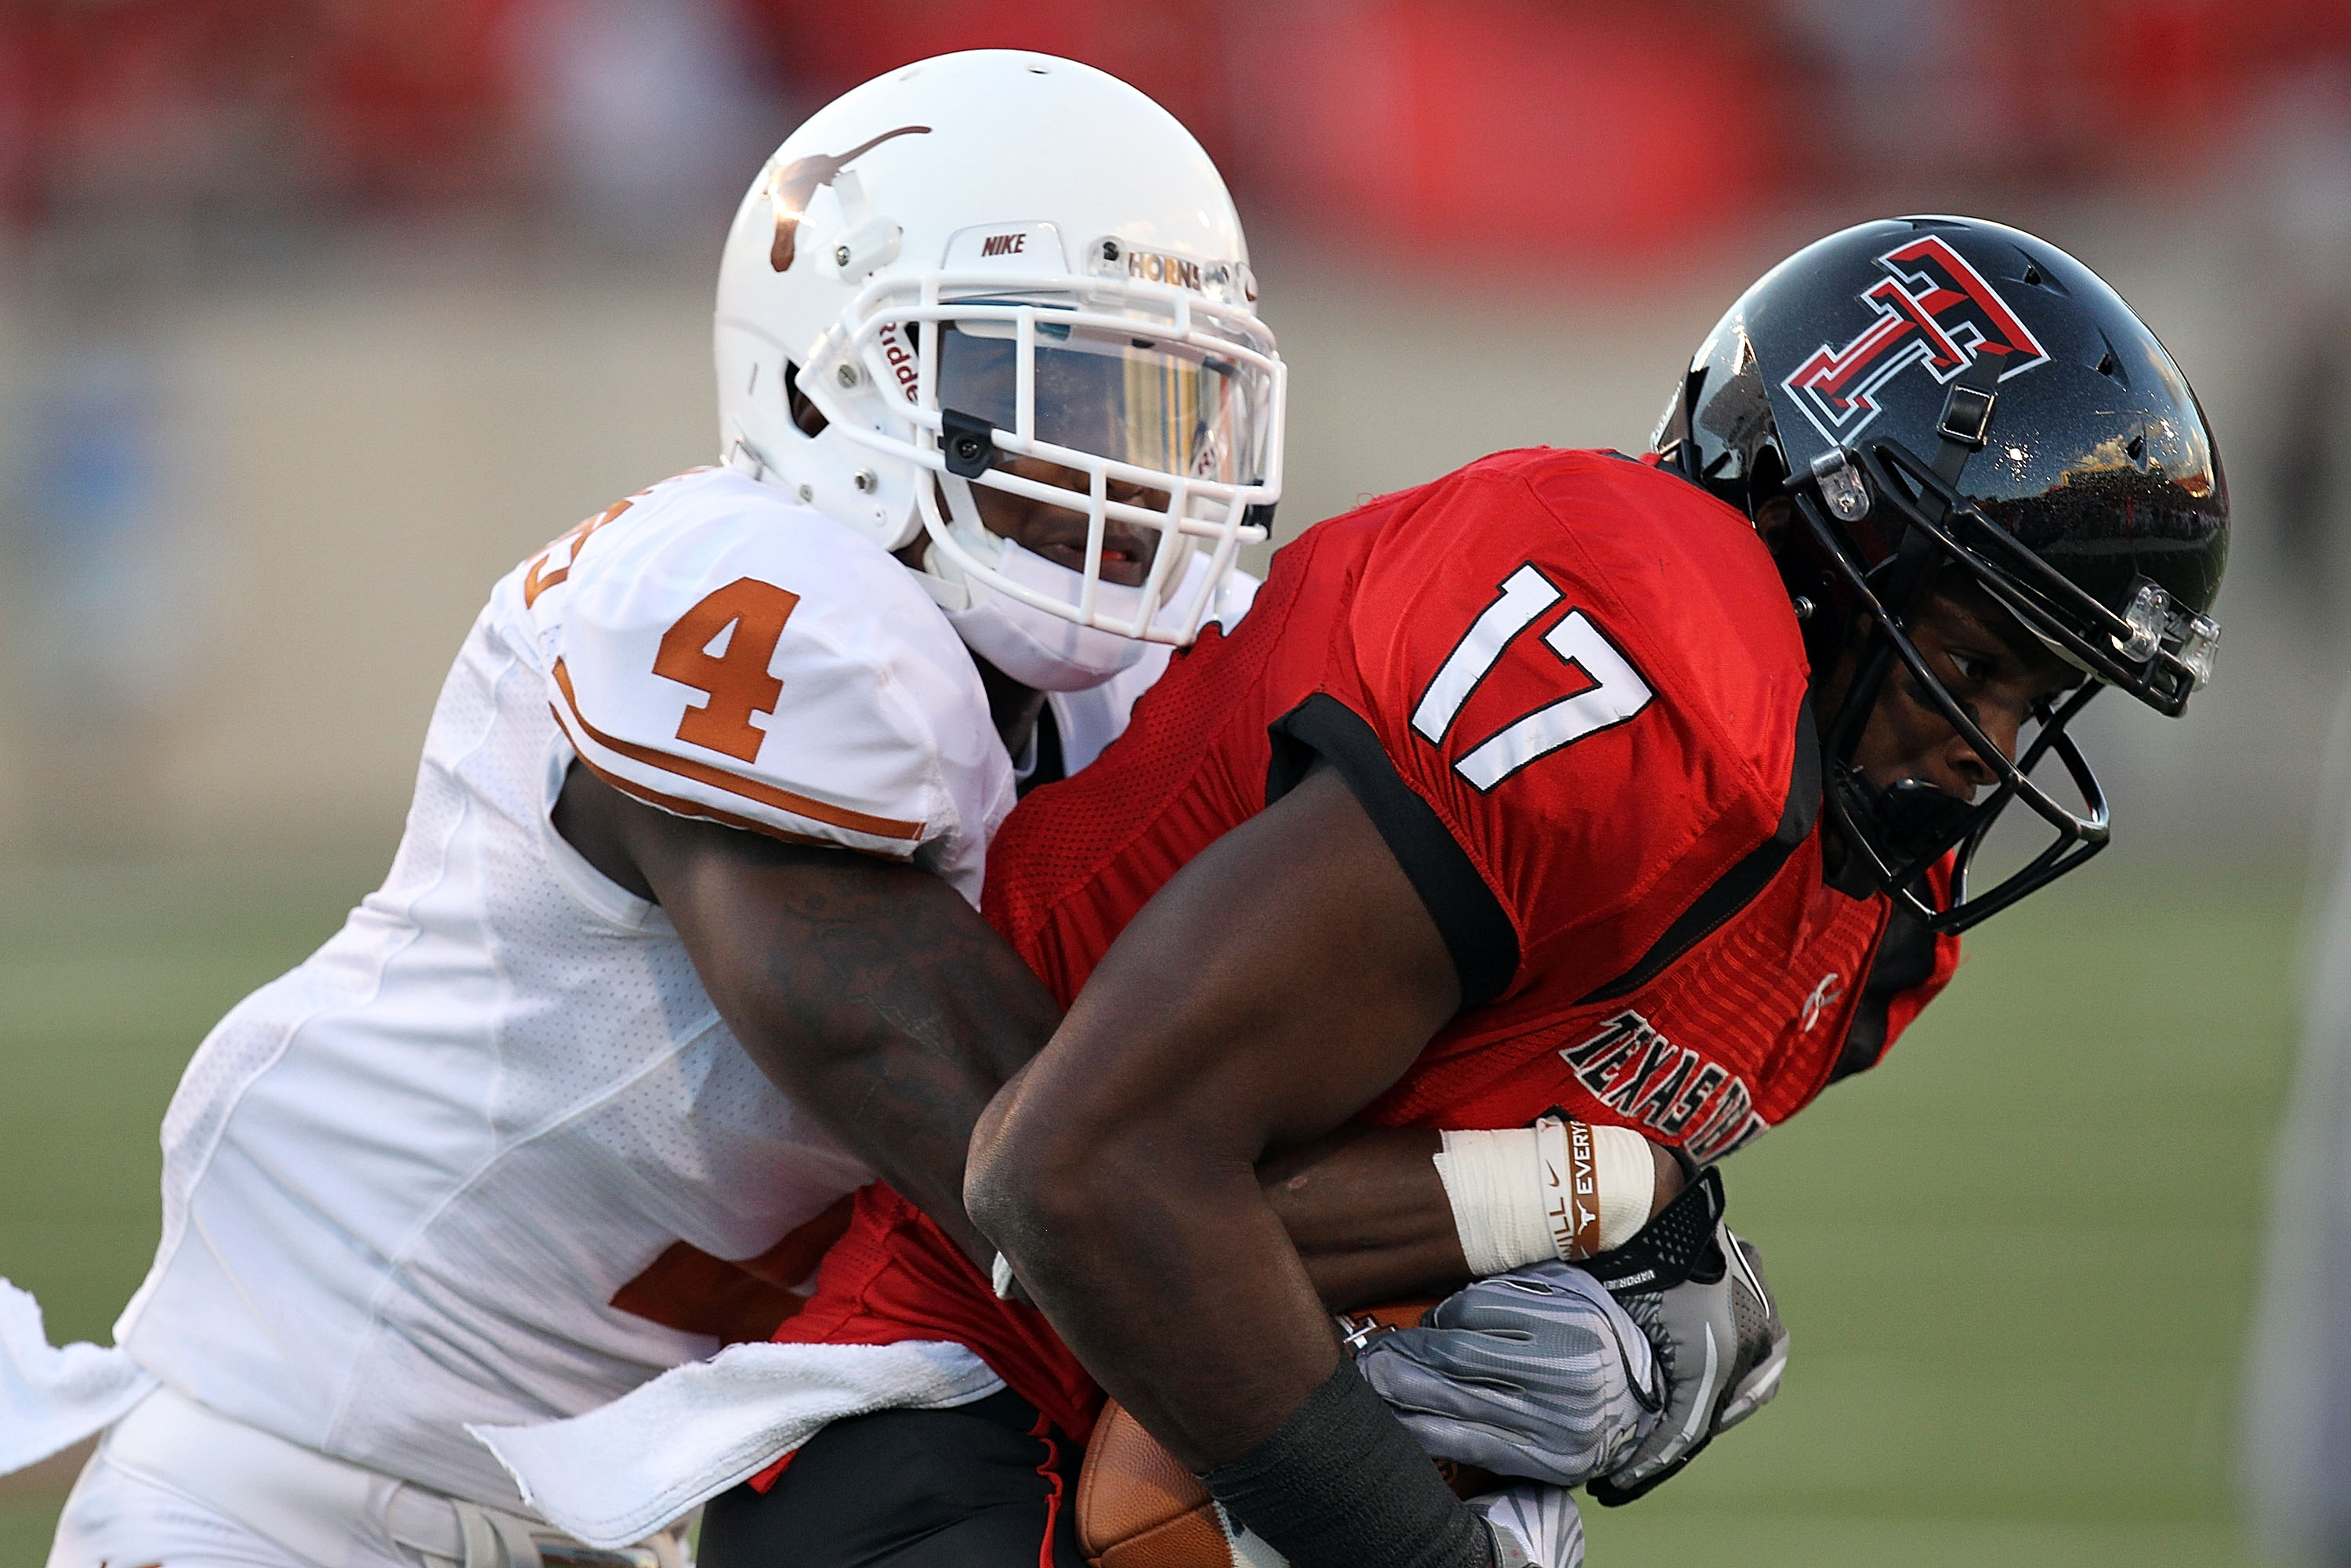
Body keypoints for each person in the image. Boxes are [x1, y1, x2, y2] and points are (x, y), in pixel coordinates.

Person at [695, 216, 2230, 1568]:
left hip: (1176, 1418)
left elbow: (1320, 1200)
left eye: (2042, 699)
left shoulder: (1862, 931)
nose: (1986, 757)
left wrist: (1627, 1224)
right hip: (952, 1400)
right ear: (1830, 547)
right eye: (1970, 667)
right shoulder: (1650, 672)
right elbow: (1088, 1167)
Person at [0, 49, 1329, 1568]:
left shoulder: (1121, 699)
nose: (1131, 475)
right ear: (838, 377)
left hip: (617, 1517)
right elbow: (1050, 1158)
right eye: (1053, 391)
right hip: (298, 1499)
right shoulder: (750, 610)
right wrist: (1474, 1236)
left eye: (1167, 409)